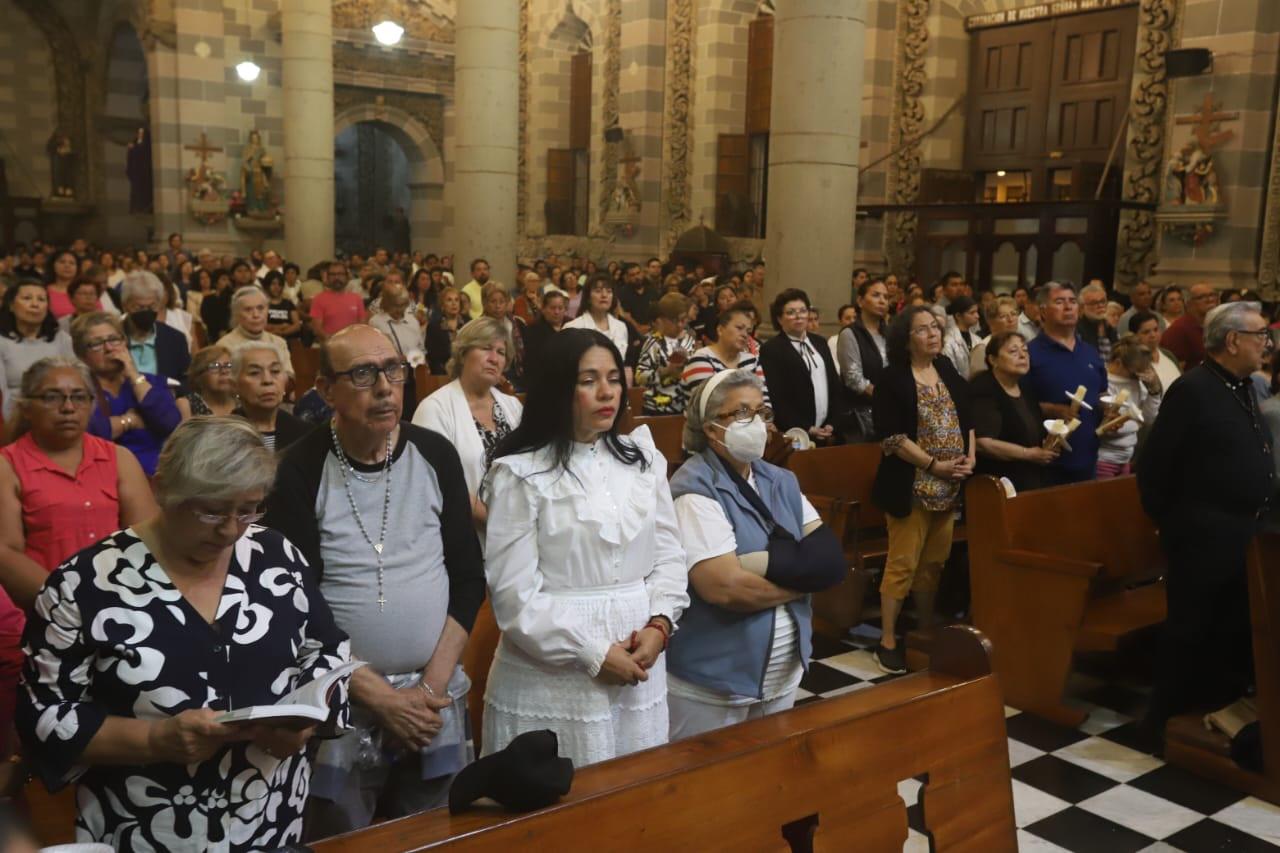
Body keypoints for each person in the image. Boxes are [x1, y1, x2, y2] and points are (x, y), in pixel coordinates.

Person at [17, 416, 352, 851]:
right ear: (162, 490)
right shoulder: (83, 584)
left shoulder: (275, 555)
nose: (231, 530)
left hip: (270, 822)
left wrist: (306, 720)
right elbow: (44, 717)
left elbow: (327, 649)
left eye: (248, 509)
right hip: (145, 830)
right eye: (211, 510)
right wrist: (154, 740)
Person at [265, 325, 484, 836]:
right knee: (341, 836)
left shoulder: (435, 454)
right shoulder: (299, 468)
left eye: (393, 370)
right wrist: (381, 699)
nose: (385, 387)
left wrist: (427, 690)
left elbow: (469, 580)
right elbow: (296, 603)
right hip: (341, 696)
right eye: (363, 374)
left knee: (434, 833)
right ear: (325, 389)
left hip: (434, 698)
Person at [480, 329, 689, 767]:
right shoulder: (521, 473)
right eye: (588, 379)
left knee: (633, 801)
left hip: (639, 658)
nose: (606, 392)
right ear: (559, 387)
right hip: (554, 670)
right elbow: (514, 598)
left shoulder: (643, 459)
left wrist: (660, 624)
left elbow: (669, 554)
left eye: (614, 378)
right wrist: (592, 652)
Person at [666, 370, 843, 738]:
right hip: (714, 684)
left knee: (768, 783)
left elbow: (830, 560)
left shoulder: (779, 480)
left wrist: (759, 565)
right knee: (708, 789)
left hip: (782, 676)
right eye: (741, 413)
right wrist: (801, 581)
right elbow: (726, 589)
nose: (757, 423)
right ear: (712, 428)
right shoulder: (696, 488)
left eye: (761, 413)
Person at [0, 357, 156, 757]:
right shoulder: (8, 464)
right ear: (28, 405)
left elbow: (147, 536)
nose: (68, 407)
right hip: (42, 616)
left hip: (123, 614)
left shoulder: (117, 457)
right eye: (53, 397)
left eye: (78, 397)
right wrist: (70, 609)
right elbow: (5, 552)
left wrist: (113, 609)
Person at [1138, 301, 1275, 744]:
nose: (1267, 343)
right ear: (1233, 340)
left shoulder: (1244, 384)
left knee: (1228, 628)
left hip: (1241, 531)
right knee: (1190, 629)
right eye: (1260, 335)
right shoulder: (1194, 389)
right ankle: (1163, 725)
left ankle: (1213, 711)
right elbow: (1155, 468)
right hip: (1201, 535)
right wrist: (1178, 526)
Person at [870, 306, 975, 675]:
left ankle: (923, 630)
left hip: (949, 486)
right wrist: (933, 465)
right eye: (922, 330)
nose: (933, 334)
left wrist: (969, 459)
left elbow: (968, 418)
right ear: (905, 338)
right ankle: (886, 639)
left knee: (933, 563)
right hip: (910, 485)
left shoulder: (945, 368)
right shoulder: (893, 378)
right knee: (903, 563)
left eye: (935, 327)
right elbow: (893, 437)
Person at [413, 317, 523, 532]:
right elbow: (439, 482)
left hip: (518, 530)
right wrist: (500, 525)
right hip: (466, 536)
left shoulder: (513, 406)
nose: (494, 359)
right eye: (486, 349)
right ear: (463, 354)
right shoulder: (435, 409)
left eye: (501, 353)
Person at [73, 313, 181, 476]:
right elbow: (88, 433)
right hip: (105, 474)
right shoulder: (78, 389)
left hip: (159, 474)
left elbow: (170, 423)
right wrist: (129, 421)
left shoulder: (150, 382)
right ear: (82, 355)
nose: (109, 348)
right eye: (96, 344)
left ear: (125, 342)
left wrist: (133, 373)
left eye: (114, 339)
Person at [1025, 282, 1106, 485]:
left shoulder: (1089, 352)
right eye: (1059, 302)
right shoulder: (1030, 353)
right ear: (1043, 311)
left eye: (1072, 301)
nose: (1068, 307)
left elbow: (1101, 392)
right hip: (1046, 462)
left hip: (1088, 458)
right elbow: (1017, 404)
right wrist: (1049, 409)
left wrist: (1109, 409)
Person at [970, 331, 1056, 492]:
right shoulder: (984, 388)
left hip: (1031, 478)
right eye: (1013, 351)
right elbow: (983, 442)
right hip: (997, 483)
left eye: (1025, 350)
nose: (1023, 356)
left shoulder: (1024, 385)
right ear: (993, 360)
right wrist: (1028, 453)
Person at [760, 288, 848, 444]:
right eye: (791, 312)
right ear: (780, 319)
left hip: (828, 430)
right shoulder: (771, 349)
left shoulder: (820, 342)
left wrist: (832, 423)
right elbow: (777, 397)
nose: (798, 316)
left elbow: (835, 385)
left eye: (802, 311)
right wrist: (807, 427)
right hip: (795, 433)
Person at [0, 282, 74, 419]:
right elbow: (2, 394)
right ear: (11, 305)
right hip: (15, 417)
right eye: (27, 298)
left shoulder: (62, 339)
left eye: (41, 299)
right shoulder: (2, 341)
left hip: (60, 412)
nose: (35, 304)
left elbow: (74, 380)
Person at [1097, 335, 1162, 479]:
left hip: (1126, 458)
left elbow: (1148, 419)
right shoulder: (1104, 382)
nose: (1137, 377)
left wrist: (1154, 391)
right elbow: (1111, 428)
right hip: (1104, 460)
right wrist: (1135, 422)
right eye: (1134, 372)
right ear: (1119, 363)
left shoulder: (1136, 382)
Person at [682, 302, 769, 404]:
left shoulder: (752, 361)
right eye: (739, 328)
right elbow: (710, 406)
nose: (745, 335)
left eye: (748, 331)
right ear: (720, 330)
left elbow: (764, 402)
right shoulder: (701, 359)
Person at [231, 342, 309, 452]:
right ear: (235, 385)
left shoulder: (305, 434)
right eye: (254, 373)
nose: (267, 380)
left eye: (275, 371)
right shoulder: (221, 435)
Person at [837, 279, 890, 440]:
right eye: (875, 295)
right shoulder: (850, 334)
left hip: (888, 412)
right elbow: (854, 379)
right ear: (860, 301)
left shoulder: (890, 333)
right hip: (861, 414)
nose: (882, 301)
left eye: (886, 297)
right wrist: (886, 398)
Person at [120, 270, 191, 391]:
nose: (147, 312)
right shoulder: (113, 338)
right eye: (140, 307)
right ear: (125, 305)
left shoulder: (175, 339)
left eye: (152, 306)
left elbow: (186, 381)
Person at [635, 293, 698, 416]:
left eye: (683, 320)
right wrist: (666, 371)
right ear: (662, 320)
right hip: (658, 408)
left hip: (685, 406)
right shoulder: (652, 343)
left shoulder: (689, 340)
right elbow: (639, 377)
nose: (680, 325)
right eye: (675, 321)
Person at [216, 285, 295, 379]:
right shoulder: (224, 346)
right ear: (236, 314)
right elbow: (224, 385)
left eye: (261, 308)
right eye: (248, 310)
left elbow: (289, 378)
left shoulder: (279, 343)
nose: (256, 315)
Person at [565, 274, 630, 364]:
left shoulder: (621, 327)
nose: (604, 295)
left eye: (609, 291)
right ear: (588, 297)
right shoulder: (573, 327)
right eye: (598, 291)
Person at [1161, 282, 1218, 369]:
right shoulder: (1179, 329)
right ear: (1188, 303)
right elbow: (1176, 371)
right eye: (1202, 297)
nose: (1210, 300)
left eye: (1212, 295)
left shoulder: (1216, 325)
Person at [480, 282, 525, 390]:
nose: (498, 306)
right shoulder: (479, 327)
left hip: (516, 371)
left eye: (502, 301)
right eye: (493, 301)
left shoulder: (516, 323)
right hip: (489, 373)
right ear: (485, 303)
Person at [310, 261, 367, 344]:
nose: (336, 277)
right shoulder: (318, 299)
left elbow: (362, 324)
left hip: (353, 346)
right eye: (333, 274)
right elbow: (317, 328)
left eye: (340, 274)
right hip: (329, 347)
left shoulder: (356, 298)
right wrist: (334, 341)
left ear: (346, 276)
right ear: (328, 277)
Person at [968, 295, 1020, 378]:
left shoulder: (1021, 346)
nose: (1011, 319)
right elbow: (977, 383)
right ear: (990, 321)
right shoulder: (983, 349)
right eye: (1003, 316)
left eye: (1013, 314)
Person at [1131, 310, 1182, 392]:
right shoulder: (1135, 363)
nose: (1153, 335)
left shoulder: (1168, 354)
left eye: (1155, 330)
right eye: (1146, 332)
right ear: (1134, 336)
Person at [426, 285, 465, 375]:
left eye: (456, 300)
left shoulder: (468, 323)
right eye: (449, 300)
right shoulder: (434, 327)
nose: (454, 303)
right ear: (442, 305)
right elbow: (433, 358)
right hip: (443, 374)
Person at [523, 289, 567, 367]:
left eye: (560, 308)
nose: (557, 312)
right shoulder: (533, 330)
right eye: (552, 308)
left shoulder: (572, 325)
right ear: (543, 309)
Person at [1078, 282, 1118, 363]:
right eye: (1093, 303)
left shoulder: (1110, 328)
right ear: (1082, 307)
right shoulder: (1076, 330)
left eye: (1103, 301)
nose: (1100, 306)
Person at [941, 295, 980, 376]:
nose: (977, 316)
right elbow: (950, 371)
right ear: (958, 316)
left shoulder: (977, 339)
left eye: (977, 312)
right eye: (972, 313)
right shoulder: (948, 341)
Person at [263, 270, 302, 343]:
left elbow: (297, 325)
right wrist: (281, 326)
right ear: (267, 285)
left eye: (279, 284)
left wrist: (282, 333)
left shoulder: (288, 303)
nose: (276, 287)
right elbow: (261, 325)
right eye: (273, 284)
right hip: (266, 339)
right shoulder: (262, 304)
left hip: (287, 339)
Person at [44, 249, 78, 320]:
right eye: (62, 262)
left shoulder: (85, 290)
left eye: (72, 263)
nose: (67, 265)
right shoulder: (43, 291)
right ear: (53, 265)